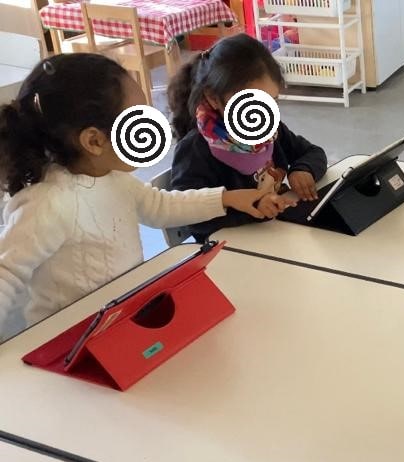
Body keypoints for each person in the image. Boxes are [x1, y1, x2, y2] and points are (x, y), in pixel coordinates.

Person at [0, 54, 271, 340]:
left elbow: (159, 206)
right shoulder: (48, 203)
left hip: (117, 322)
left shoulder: (113, 179)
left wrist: (225, 199)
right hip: (70, 340)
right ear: (94, 141)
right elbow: (7, 272)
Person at [168, 33, 327, 241]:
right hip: (232, 249)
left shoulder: (271, 130)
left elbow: (313, 153)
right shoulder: (195, 150)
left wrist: (303, 169)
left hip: (277, 236)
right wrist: (253, 208)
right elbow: (189, 214)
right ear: (213, 98)